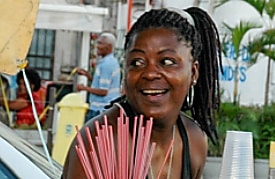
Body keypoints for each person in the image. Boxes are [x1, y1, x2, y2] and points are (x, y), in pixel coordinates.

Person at [63, 6, 222, 179]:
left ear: (193, 72)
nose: (150, 73)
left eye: (167, 61)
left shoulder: (194, 141)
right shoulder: (101, 142)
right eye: (137, 62)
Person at [76, 32, 121, 122]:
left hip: (101, 109)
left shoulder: (107, 65)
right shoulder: (109, 62)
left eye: (100, 43)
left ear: (109, 47)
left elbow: (103, 91)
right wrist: (87, 75)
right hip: (104, 108)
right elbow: (102, 84)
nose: (97, 46)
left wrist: (84, 88)